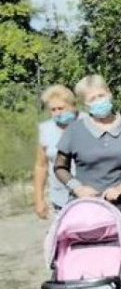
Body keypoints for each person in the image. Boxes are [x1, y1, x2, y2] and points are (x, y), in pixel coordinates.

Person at [54, 75, 121, 278]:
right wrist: (78, 188)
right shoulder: (74, 131)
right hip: (86, 208)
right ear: (84, 104)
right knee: (86, 264)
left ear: (110, 93)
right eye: (92, 99)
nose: (99, 101)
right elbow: (60, 167)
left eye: (101, 95)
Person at [34, 85, 79, 217]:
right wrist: (39, 199)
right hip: (60, 198)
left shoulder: (86, 122)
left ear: (71, 105)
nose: (57, 112)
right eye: (53, 109)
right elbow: (41, 166)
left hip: (89, 194)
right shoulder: (46, 129)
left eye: (61, 108)